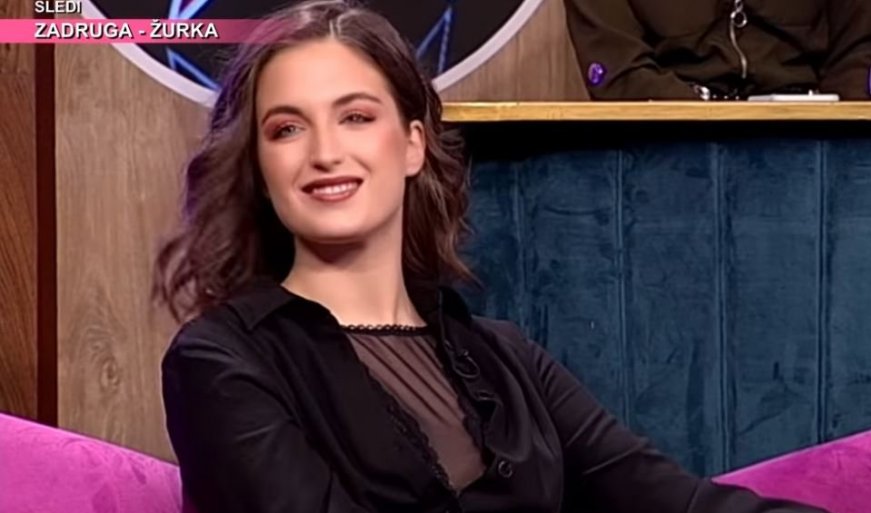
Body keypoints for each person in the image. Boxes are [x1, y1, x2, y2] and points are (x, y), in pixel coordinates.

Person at [152, 1, 829, 512]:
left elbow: (677, 501)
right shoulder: (220, 360)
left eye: (356, 116)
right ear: (259, 166)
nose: (325, 151)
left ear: (412, 145)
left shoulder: (505, 357)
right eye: (287, 128)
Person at [563, 0, 871, 100]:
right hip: (666, 148)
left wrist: (822, 125)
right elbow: (619, 70)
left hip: (815, 142)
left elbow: (866, 49)